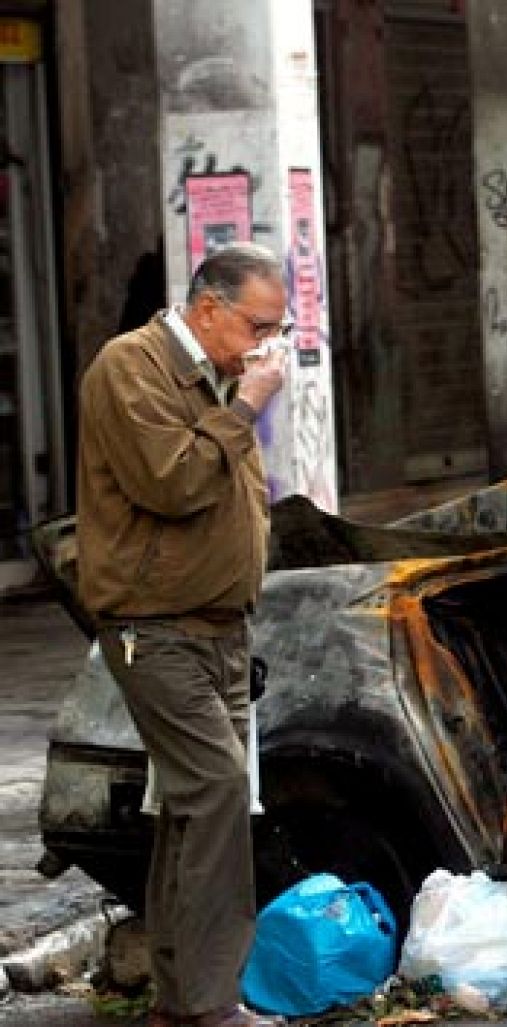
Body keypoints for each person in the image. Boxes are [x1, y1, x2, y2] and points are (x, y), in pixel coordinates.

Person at [76, 242, 291, 1027]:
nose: (269, 345)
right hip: (152, 624)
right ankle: (211, 1003)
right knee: (217, 791)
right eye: (259, 326)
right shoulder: (129, 366)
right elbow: (173, 481)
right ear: (208, 310)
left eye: (281, 328)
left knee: (190, 808)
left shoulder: (220, 370)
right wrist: (243, 408)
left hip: (217, 626)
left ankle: (178, 996)